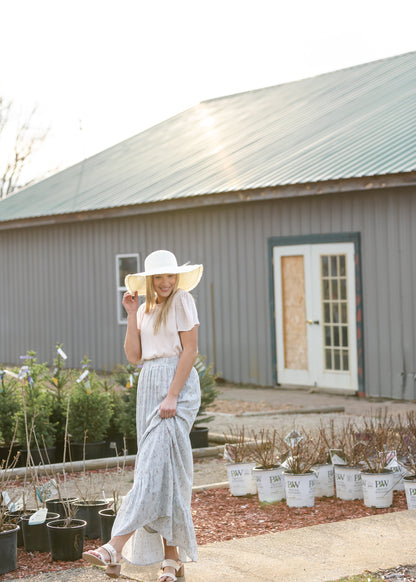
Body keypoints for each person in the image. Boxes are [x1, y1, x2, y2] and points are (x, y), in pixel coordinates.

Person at [83, 249, 203, 581]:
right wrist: (132, 314)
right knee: (165, 474)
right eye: (159, 277)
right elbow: (135, 356)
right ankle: (170, 559)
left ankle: (114, 545)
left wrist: (173, 396)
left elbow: (190, 350)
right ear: (150, 280)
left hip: (175, 388)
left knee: (152, 470)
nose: (166, 282)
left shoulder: (182, 300)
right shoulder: (145, 308)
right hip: (149, 386)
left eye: (170, 276)